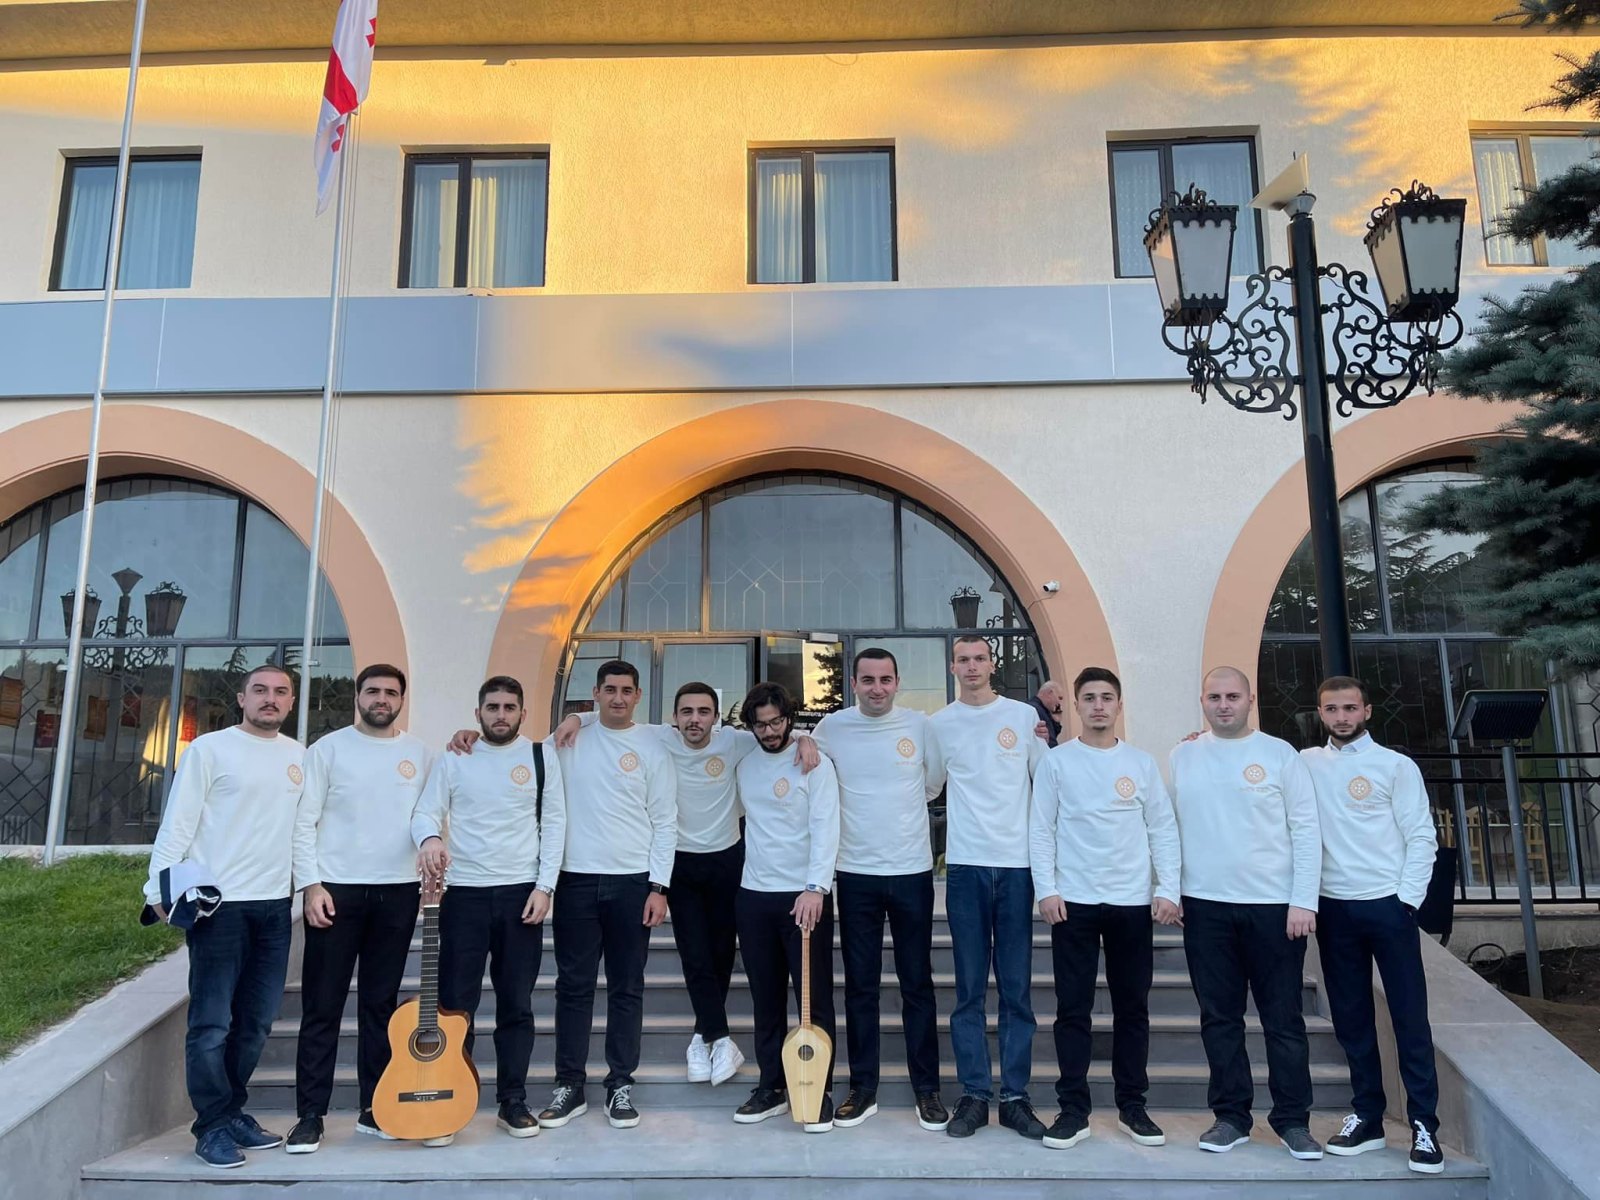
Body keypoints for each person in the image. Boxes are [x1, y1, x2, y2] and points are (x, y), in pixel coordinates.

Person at [548, 682, 818, 1089]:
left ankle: (702, 1036)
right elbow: (613, 716)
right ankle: (718, 1037)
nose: (695, 719)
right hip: (680, 862)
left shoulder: (734, 742)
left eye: (704, 711)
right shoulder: (659, 739)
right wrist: (575, 716)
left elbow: (775, 730)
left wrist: (804, 739)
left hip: (727, 860)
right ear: (674, 717)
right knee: (694, 954)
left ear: (716, 717)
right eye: (687, 711)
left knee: (721, 953)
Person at [142, 663, 303, 1169]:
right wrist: (156, 886)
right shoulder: (210, 750)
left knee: (256, 1023)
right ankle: (210, 1125)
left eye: (280, 692)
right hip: (219, 907)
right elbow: (178, 823)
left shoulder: (300, 757)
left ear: (291, 702)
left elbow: (306, 830)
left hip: (275, 907)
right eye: (260, 690)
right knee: (212, 1024)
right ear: (241, 698)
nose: (270, 699)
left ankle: (232, 1112)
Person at [1170, 666, 1323, 1161]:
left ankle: (1293, 1120)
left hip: (1274, 908)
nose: (1223, 705)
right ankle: (1231, 1116)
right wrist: (1170, 889)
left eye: (1232, 696)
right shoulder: (1182, 755)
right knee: (1219, 1018)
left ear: (1250, 700)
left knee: (1283, 1020)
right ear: (1202, 701)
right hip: (1205, 906)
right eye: (1214, 697)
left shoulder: (1280, 754)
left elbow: (1305, 828)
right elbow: (1168, 827)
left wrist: (1303, 899)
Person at [1029, 667, 1181, 1151]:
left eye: (1107, 697)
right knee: (1072, 1010)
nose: (1098, 705)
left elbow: (1162, 828)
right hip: (1072, 902)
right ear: (1075, 705)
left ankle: (1133, 1106)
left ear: (1118, 705)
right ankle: (1073, 1110)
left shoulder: (1140, 764)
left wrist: (1168, 888)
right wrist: (1046, 889)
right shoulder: (1057, 762)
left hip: (1130, 902)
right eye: (1090, 697)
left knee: (1132, 1009)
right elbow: (1041, 828)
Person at [287, 664, 435, 1153]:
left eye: (391, 692)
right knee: (322, 1006)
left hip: (398, 893)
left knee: (380, 1007)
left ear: (401, 700)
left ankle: (376, 1107)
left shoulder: (420, 755)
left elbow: (428, 817)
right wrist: (311, 885)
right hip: (336, 892)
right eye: (373, 691)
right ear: (358, 695)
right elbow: (303, 822)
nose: (381, 699)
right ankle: (311, 1115)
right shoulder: (328, 750)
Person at [412, 675, 566, 1139]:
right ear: (477, 712)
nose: (501, 714)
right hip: (465, 895)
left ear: (523, 713)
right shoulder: (456, 757)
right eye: (493, 707)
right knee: (456, 1006)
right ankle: (449, 1101)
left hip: (521, 895)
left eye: (509, 707)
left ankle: (512, 1101)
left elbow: (555, 822)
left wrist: (545, 887)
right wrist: (430, 837)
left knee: (516, 1004)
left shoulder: (540, 756)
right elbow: (426, 811)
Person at [1303, 676, 1444, 1175]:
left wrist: (1406, 901)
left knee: (1409, 1018)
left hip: (1388, 907)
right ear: (1320, 713)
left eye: (1349, 708)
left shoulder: (1395, 766)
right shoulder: (1305, 764)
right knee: (1352, 1019)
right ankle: (1367, 1116)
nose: (1341, 717)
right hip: (1333, 909)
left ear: (1366, 711)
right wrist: (1202, 742)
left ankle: (1424, 1125)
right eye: (1331, 709)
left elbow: (1421, 835)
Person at [813, 647, 947, 1132]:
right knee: (861, 987)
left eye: (885, 679)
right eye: (867, 680)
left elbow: (932, 784)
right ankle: (862, 1089)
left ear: (897, 682)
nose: (877, 688)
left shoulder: (920, 727)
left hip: (911, 872)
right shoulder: (831, 728)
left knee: (918, 985)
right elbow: (805, 758)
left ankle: (927, 1091)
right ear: (853, 683)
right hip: (855, 874)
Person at [539, 660, 677, 1131]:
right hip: (575, 880)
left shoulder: (653, 747)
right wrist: (468, 737)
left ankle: (620, 1084)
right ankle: (569, 1085)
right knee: (573, 988)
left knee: (626, 988)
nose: (618, 697)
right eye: (610, 690)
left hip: (632, 883)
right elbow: (514, 753)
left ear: (638, 696)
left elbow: (665, 821)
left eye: (626, 690)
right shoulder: (566, 741)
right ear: (595, 693)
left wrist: (659, 887)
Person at [924, 636, 1046, 1140]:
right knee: (969, 991)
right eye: (963, 660)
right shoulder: (939, 725)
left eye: (979, 658)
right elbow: (927, 785)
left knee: (1016, 991)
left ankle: (1015, 1098)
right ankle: (974, 1094)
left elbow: (1050, 781)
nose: (972, 666)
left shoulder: (1023, 717)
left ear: (991, 664)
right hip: (966, 868)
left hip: (1017, 869)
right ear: (952, 667)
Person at [730, 682, 841, 1133]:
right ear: (751, 726)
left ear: (789, 718)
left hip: (804, 897)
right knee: (766, 997)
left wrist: (816, 887)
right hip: (754, 895)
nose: (770, 731)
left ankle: (820, 1091)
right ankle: (772, 1087)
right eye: (761, 724)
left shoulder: (814, 762)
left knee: (814, 999)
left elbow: (826, 825)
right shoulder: (745, 763)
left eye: (777, 722)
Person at [1031, 681, 1066, 749]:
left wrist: (1056, 721)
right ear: (1050, 693)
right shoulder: (1037, 710)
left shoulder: (1042, 710)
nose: (1060, 703)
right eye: (1059, 698)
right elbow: (1051, 743)